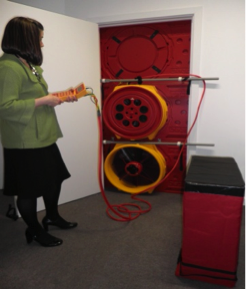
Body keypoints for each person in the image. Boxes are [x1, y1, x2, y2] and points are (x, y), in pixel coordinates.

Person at [0, 17, 78, 247]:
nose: (42, 44)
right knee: (29, 190)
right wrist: (44, 100)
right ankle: (33, 230)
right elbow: (4, 107)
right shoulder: (8, 68)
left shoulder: (27, 64)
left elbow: (32, 97)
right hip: (24, 142)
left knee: (54, 179)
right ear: (25, 39)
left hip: (43, 136)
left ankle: (51, 216)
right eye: (39, 39)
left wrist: (60, 96)